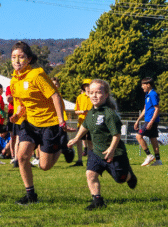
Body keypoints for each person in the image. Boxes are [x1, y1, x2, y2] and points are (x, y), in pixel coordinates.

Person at [8, 41, 69, 205]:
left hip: (49, 122)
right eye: (13, 57)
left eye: (21, 57)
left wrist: (61, 121)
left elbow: (55, 96)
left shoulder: (37, 75)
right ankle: (30, 196)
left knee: (44, 166)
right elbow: (19, 103)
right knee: (21, 157)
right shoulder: (14, 80)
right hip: (29, 124)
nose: (17, 61)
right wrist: (16, 115)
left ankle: (61, 144)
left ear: (29, 59)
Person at [67, 79, 137, 210]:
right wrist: (76, 138)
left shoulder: (109, 114)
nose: (94, 95)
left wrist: (111, 149)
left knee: (120, 179)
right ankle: (98, 201)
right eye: (91, 92)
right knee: (90, 174)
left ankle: (129, 176)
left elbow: (117, 135)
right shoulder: (91, 112)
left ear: (106, 95)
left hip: (115, 153)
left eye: (98, 92)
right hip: (96, 152)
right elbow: (85, 126)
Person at [136, 77, 163, 166]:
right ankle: (158, 160)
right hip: (149, 120)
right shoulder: (147, 95)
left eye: (143, 85)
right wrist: (137, 120)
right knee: (153, 139)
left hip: (150, 121)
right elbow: (145, 109)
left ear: (148, 85)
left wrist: (151, 122)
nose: (142, 87)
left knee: (138, 136)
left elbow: (157, 108)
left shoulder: (153, 94)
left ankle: (149, 155)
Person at [72, 79, 93, 167]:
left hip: (92, 123)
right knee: (79, 141)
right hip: (81, 123)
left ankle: (90, 160)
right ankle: (79, 160)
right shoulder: (80, 97)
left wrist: (88, 111)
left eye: (88, 85)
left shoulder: (94, 96)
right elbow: (75, 111)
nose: (87, 87)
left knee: (90, 142)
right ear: (83, 87)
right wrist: (81, 111)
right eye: (85, 85)